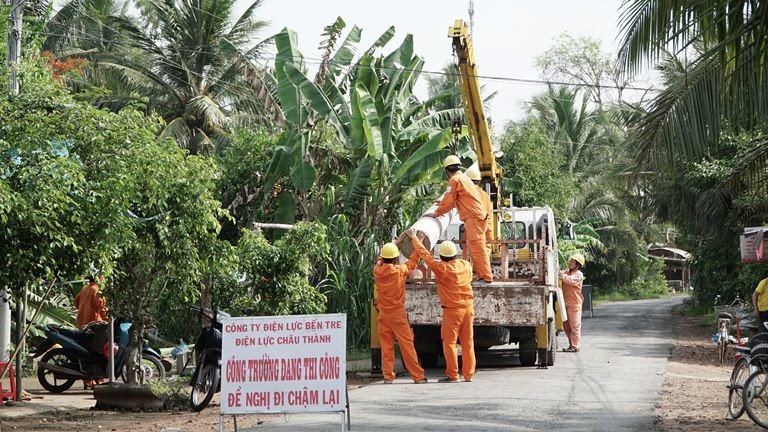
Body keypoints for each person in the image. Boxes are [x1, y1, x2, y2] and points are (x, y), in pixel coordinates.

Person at [406, 229, 475, 383]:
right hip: (468, 308)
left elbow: (427, 256)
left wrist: (414, 239)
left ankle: (453, 375)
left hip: (453, 310)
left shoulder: (442, 268)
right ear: (454, 254)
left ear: (442, 256)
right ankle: (469, 375)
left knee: (449, 342)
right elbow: (468, 259)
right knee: (467, 342)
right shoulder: (465, 265)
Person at [425, 155, 493, 283]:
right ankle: (482, 275)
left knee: (477, 249)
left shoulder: (455, 180)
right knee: (476, 248)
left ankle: (486, 277)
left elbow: (449, 201)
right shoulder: (464, 179)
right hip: (477, 218)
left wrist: (436, 213)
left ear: (446, 171)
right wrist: (440, 203)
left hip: (474, 218)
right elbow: (455, 198)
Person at [373, 242, 428, 384]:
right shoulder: (399, 271)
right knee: (407, 346)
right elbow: (413, 262)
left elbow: (380, 260)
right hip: (397, 315)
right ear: (396, 259)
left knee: (386, 347)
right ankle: (418, 376)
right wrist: (418, 242)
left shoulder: (377, 270)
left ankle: (388, 376)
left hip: (383, 315)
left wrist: (395, 243)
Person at [465, 166, 493, 256]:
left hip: (476, 227)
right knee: (485, 255)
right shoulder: (484, 195)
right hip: (487, 226)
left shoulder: (468, 194)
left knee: (473, 254)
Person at [560, 254, 585, 352]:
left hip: (574, 304)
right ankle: (571, 344)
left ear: (578, 265)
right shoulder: (566, 272)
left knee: (575, 325)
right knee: (565, 325)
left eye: (572, 262)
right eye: (570, 261)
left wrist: (562, 275)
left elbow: (569, 280)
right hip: (565, 303)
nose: (570, 263)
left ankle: (575, 346)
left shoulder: (578, 274)